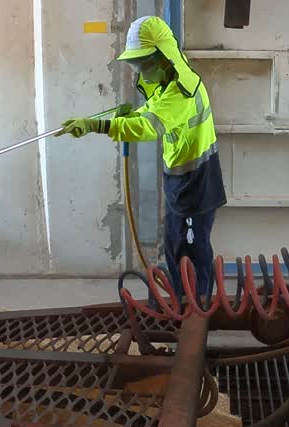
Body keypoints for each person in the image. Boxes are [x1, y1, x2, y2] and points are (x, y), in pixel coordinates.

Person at [58, 15, 226, 299]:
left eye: (143, 63)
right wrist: (129, 115)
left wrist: (97, 125)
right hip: (181, 181)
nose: (140, 71)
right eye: (136, 64)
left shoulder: (182, 93)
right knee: (176, 247)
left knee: (193, 252)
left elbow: (149, 126)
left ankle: (197, 311)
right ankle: (180, 303)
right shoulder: (168, 84)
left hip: (197, 184)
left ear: (163, 57)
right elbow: (150, 112)